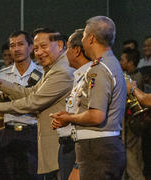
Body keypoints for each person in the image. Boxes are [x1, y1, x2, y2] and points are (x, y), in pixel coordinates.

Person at [0, 27, 74, 179]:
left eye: (43, 46)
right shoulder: (51, 70)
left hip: (45, 138)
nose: (39, 52)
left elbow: (33, 102)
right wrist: (2, 84)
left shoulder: (60, 71)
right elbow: (30, 93)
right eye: (37, 48)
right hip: (10, 134)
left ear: (59, 45)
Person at [51, 16, 126, 180]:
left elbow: (96, 115)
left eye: (84, 35)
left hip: (97, 148)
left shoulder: (99, 69)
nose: (83, 39)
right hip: (102, 147)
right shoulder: (110, 63)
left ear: (91, 38)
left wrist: (69, 118)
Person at [0, 30, 43, 180]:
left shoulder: (42, 73)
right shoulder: (2, 75)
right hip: (7, 133)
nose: (16, 49)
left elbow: (38, 106)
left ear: (31, 47)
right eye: (12, 45)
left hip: (32, 133)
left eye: (21, 44)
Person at [58, 29, 92, 180]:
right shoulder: (78, 76)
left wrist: (78, 163)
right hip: (69, 146)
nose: (65, 53)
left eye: (67, 48)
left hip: (80, 150)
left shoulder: (91, 76)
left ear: (77, 50)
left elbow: (92, 120)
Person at [120, 48, 145, 180]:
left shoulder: (134, 78)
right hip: (132, 124)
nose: (120, 62)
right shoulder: (132, 76)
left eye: (122, 59)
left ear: (130, 62)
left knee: (132, 159)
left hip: (132, 124)